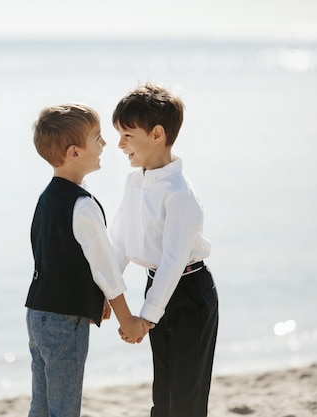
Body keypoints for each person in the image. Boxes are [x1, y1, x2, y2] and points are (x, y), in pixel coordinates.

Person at [25, 103, 152, 417]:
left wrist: (94, 298)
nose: (105, 144)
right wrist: (128, 321)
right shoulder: (82, 205)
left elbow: (59, 259)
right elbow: (105, 269)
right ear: (73, 152)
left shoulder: (47, 198)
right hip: (64, 321)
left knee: (41, 406)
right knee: (64, 409)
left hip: (37, 313)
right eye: (97, 139)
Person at [110, 83, 219, 417]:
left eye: (127, 135)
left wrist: (145, 316)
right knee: (164, 397)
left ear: (156, 134)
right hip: (156, 286)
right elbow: (119, 242)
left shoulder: (180, 194)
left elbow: (173, 262)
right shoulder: (134, 183)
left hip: (190, 294)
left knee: (186, 400)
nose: (120, 144)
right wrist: (106, 291)